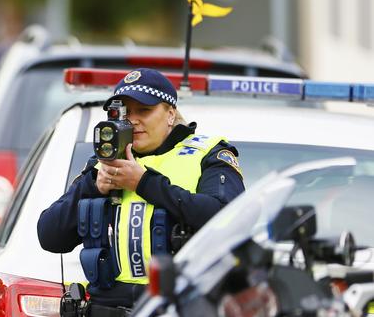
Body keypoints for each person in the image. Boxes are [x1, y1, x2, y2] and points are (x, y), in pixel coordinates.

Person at [37, 68, 245, 315]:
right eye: (124, 112)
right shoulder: (104, 164)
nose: (132, 120)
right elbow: (49, 235)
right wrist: (94, 186)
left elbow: (229, 220)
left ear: (170, 114)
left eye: (144, 110)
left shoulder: (208, 154)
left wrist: (143, 183)